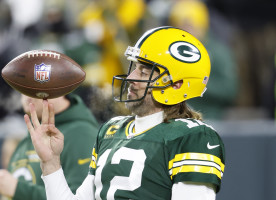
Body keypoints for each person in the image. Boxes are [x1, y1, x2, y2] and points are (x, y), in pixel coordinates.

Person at [24, 27, 225, 199]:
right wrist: (50, 162)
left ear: (177, 84)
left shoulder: (192, 137)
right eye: (134, 68)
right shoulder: (111, 130)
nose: (131, 77)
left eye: (144, 72)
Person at [0, 93, 99, 200]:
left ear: (61, 87)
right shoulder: (26, 139)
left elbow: (79, 197)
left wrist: (18, 189)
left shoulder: (82, 134)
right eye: (23, 81)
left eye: (39, 78)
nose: (28, 91)